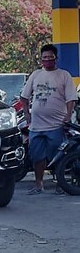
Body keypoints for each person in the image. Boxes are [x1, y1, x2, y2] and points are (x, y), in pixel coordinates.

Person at [20, 44, 78, 195]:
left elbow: (71, 99)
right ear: (41, 59)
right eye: (44, 58)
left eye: (50, 57)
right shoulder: (35, 75)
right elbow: (24, 97)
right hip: (36, 126)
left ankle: (60, 185)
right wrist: (27, 115)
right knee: (37, 156)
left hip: (57, 125)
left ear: (55, 59)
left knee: (58, 156)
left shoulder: (64, 75)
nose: (47, 60)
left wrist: (67, 117)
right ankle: (39, 185)